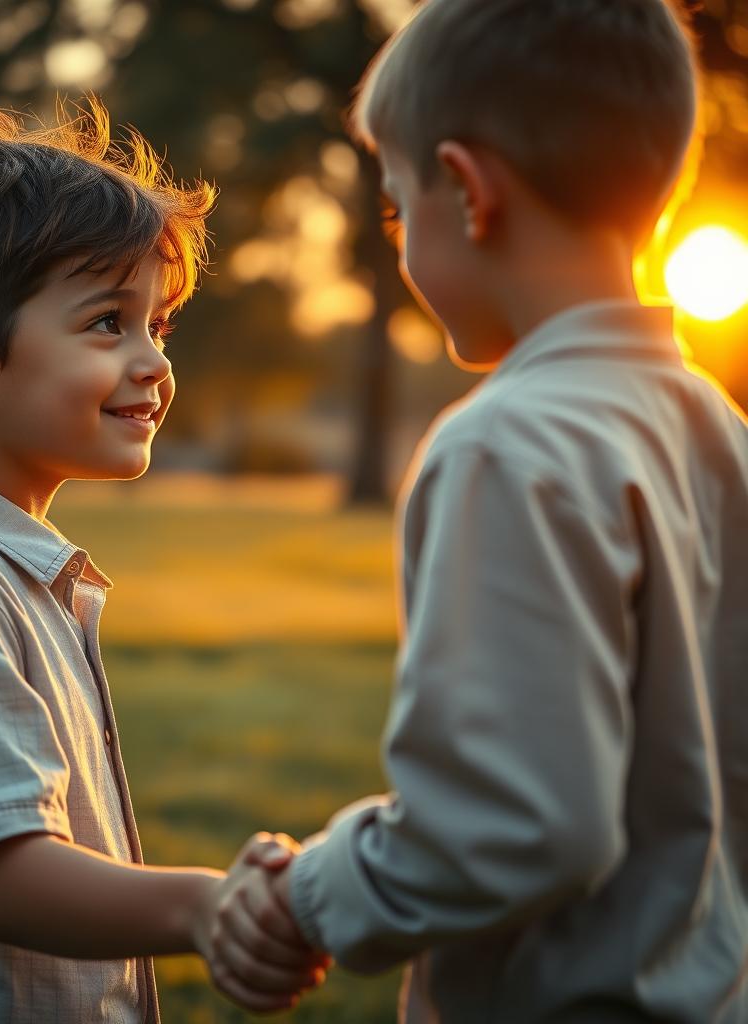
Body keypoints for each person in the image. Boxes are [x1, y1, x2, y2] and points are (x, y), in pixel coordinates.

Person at [226, 1, 748, 1020]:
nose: (396, 236)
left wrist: (308, 892)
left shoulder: (505, 446)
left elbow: (516, 822)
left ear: (466, 192)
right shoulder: (720, 436)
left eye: (394, 205)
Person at [0, 98, 326, 1023]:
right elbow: (12, 877)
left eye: (159, 325)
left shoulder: (4, 570)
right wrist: (206, 904)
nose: (155, 362)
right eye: (108, 324)